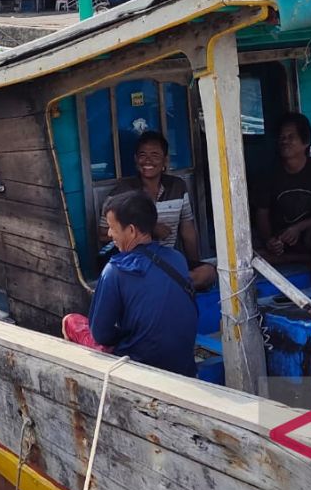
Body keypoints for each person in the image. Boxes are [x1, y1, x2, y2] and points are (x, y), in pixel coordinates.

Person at [63, 192, 197, 376]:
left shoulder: (115, 270)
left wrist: (123, 334)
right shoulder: (177, 259)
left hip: (139, 368)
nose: (109, 234)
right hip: (184, 366)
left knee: (71, 321)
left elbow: (100, 335)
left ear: (132, 231)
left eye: (112, 228)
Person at [98, 131, 215, 290]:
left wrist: (193, 263)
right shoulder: (120, 194)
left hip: (167, 260)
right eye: (142, 155)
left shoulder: (178, 187)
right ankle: (169, 286)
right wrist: (149, 229)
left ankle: (165, 287)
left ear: (165, 160)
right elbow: (103, 234)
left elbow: (187, 230)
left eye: (155, 155)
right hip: (134, 263)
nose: (148, 160)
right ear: (135, 159)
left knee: (207, 273)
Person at [254, 112, 311, 287]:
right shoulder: (268, 174)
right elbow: (262, 212)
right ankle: (308, 258)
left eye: (291, 137)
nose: (284, 141)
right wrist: (270, 239)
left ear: (305, 142)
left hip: (309, 234)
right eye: (282, 137)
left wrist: (299, 228)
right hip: (282, 239)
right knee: (252, 258)